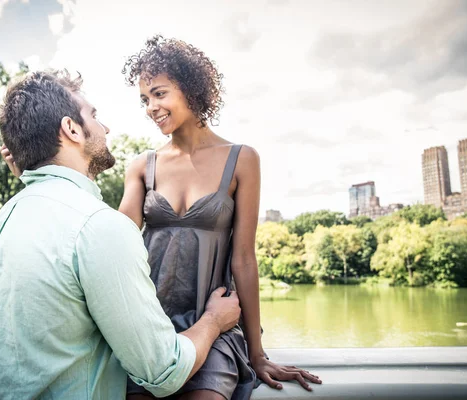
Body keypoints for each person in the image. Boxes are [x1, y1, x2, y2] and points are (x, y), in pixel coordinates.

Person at [0, 69, 242, 399]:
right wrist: (213, 320)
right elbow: (163, 370)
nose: (105, 127)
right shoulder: (97, 226)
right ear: (72, 129)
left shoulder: (7, 216)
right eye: (93, 115)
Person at [119, 36, 322, 399]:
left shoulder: (242, 159)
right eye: (144, 100)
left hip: (216, 327)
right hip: (150, 329)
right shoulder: (141, 167)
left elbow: (244, 258)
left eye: (159, 94)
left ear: (191, 89)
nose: (151, 107)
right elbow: (113, 244)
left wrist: (258, 354)